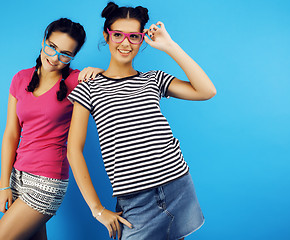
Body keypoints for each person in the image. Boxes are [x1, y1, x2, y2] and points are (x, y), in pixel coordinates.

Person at [67, 2, 216, 240]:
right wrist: (97, 210)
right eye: (118, 35)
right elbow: (73, 150)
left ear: (141, 40)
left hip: (176, 183)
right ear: (107, 36)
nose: (125, 43)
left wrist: (169, 46)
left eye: (133, 36)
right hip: (134, 198)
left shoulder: (154, 79)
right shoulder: (89, 87)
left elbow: (207, 91)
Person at [0, 18, 102, 240]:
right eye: (51, 47)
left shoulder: (75, 81)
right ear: (44, 40)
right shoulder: (20, 78)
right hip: (18, 176)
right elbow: (11, 134)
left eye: (65, 54)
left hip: (47, 180)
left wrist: (98, 71)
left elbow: (113, 82)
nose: (54, 58)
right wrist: (4, 184)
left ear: (73, 56)